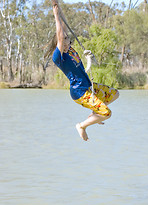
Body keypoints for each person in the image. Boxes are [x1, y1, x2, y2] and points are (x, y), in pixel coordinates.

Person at [50, 0, 119, 141]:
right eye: (64, 39)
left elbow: (63, 26)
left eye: (67, 38)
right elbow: (60, 33)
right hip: (80, 92)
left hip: (88, 86)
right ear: (59, 43)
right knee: (107, 113)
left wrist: (58, 7)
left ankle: (95, 115)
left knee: (114, 94)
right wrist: (56, 16)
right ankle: (82, 126)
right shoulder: (59, 57)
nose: (67, 39)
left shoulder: (70, 50)